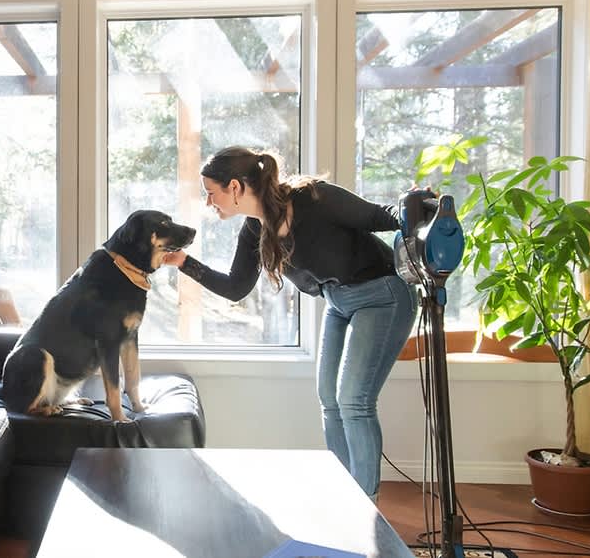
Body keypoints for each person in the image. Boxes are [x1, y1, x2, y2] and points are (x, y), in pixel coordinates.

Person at [163, 145, 418, 501]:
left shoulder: (313, 197)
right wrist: (183, 261)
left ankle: (367, 505)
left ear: (235, 187)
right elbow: (236, 287)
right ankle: (348, 495)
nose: (209, 202)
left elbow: (384, 216)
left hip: (383, 295)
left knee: (354, 400)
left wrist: (419, 205)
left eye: (211, 193)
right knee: (329, 398)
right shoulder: (254, 230)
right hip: (339, 301)